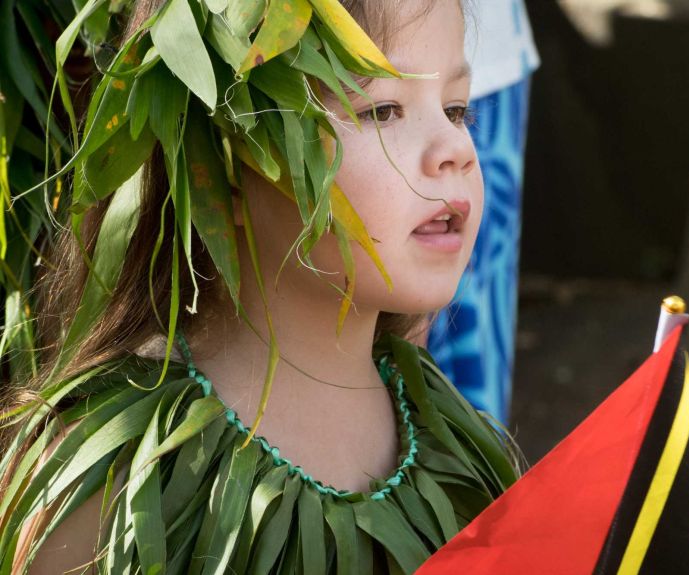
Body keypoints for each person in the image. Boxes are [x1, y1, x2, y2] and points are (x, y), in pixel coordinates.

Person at [1, 0, 521, 572]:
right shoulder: (120, 478)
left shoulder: (462, 452)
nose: (453, 151)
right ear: (221, 164)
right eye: (382, 111)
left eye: (456, 109)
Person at [427, 0, 539, 424]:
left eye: (456, 117)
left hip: (484, 64)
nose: (451, 152)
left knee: (473, 379)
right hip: (325, 60)